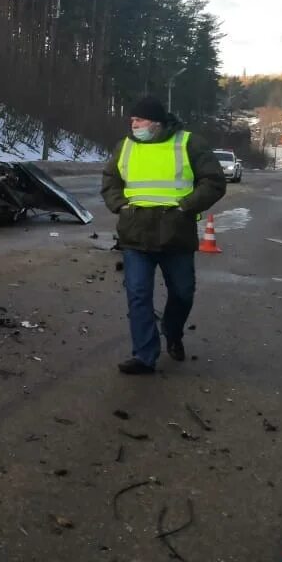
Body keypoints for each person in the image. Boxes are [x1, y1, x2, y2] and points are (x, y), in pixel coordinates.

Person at [101, 96, 227, 375]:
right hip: (135, 234)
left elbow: (214, 181)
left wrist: (187, 206)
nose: (133, 124)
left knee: (182, 293)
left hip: (176, 234)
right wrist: (120, 205)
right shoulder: (125, 146)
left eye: (138, 120)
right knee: (137, 295)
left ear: (156, 123)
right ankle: (145, 355)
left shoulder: (189, 143)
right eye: (132, 120)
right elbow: (110, 181)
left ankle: (172, 332)